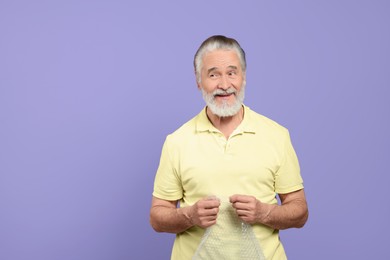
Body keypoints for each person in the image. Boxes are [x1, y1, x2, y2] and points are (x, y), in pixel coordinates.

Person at [150, 35, 308, 260]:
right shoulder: (177, 141)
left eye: (232, 73)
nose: (224, 85)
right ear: (198, 81)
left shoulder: (277, 136)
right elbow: (157, 217)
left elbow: (300, 211)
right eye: (213, 74)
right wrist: (189, 216)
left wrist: (264, 212)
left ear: (243, 78)